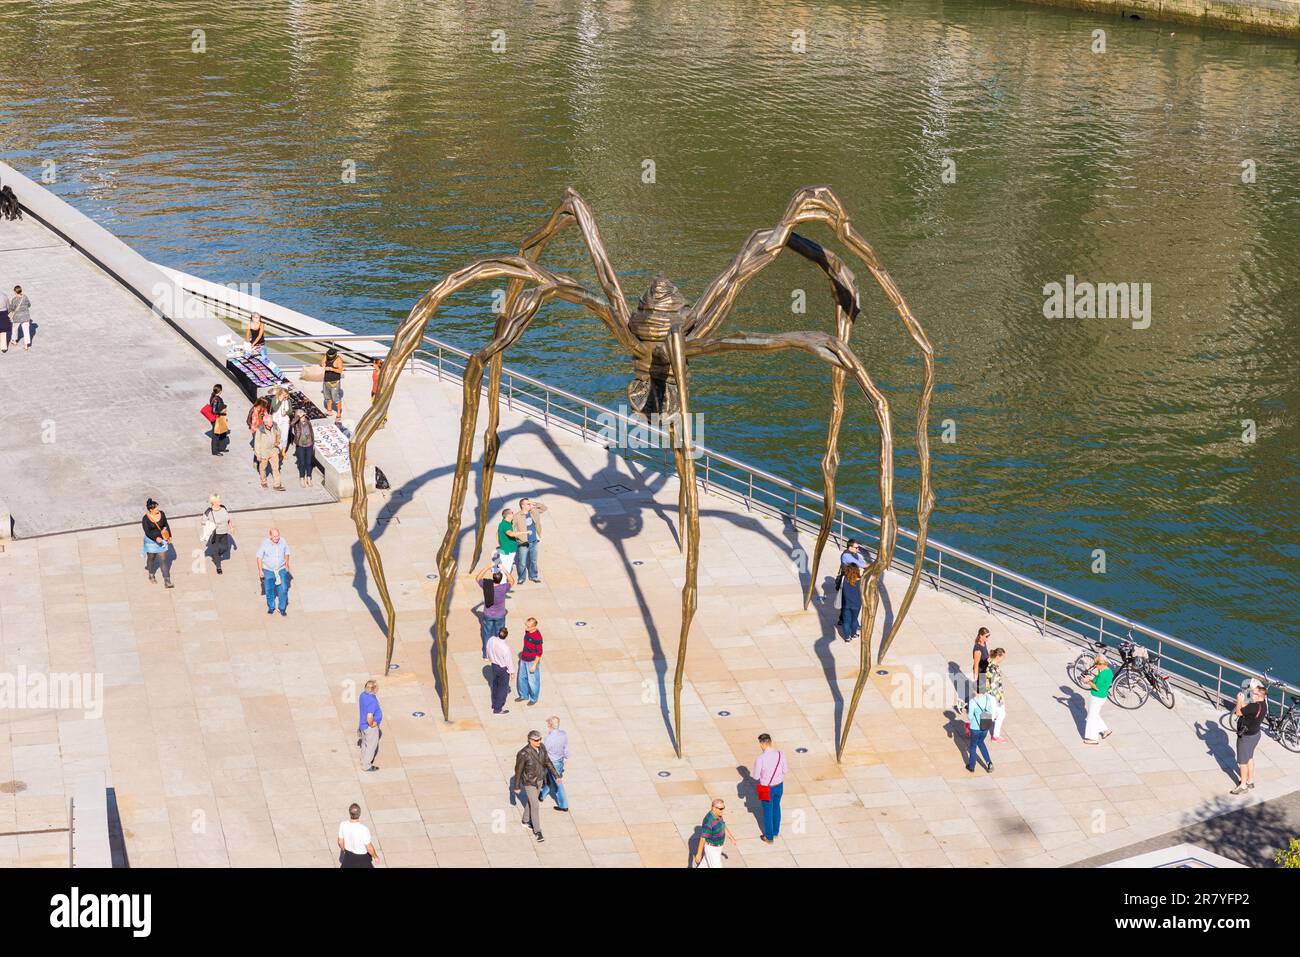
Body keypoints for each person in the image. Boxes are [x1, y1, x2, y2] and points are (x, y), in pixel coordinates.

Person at [514, 730, 561, 843]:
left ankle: (525, 820)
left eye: (540, 739)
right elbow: (518, 770)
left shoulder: (542, 747)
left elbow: (547, 762)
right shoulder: (523, 753)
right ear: (530, 740)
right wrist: (516, 786)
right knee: (535, 805)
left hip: (539, 780)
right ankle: (538, 831)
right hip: (529, 782)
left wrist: (556, 775)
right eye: (536, 740)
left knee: (531, 801)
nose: (539, 741)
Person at [1231, 678, 1267, 795]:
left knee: (1243, 762)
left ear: (1257, 695)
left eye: (1253, 692)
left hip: (1246, 737)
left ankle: (1243, 786)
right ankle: (1250, 781)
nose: (1252, 693)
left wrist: (1239, 700)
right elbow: (1250, 709)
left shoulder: (1253, 707)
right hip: (1256, 734)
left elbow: (1238, 712)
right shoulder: (1263, 705)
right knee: (1250, 757)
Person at [753, 733, 788, 844]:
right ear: (770, 742)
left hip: (766, 788)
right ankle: (775, 832)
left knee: (767, 812)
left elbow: (756, 776)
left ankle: (769, 837)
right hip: (779, 786)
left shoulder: (760, 759)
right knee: (776, 808)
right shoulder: (780, 754)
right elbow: (785, 770)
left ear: (763, 743)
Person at [475, 563, 515, 654]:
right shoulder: (503, 587)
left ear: (493, 578)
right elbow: (512, 581)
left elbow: (477, 578)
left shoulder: (486, 585)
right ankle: (498, 653)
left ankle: (486, 654)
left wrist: (487, 567)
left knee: (487, 635)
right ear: (500, 580)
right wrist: (504, 570)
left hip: (488, 614)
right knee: (499, 635)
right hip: (500, 615)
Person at [256, 527, 291, 616]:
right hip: (268, 570)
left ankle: (282, 608)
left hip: (281, 568)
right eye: (274, 536)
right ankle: (271, 607)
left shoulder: (283, 541)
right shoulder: (265, 543)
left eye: (278, 535)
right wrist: (260, 570)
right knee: (269, 589)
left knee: (283, 589)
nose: (277, 538)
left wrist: (287, 564)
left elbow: (287, 552)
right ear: (270, 536)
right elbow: (259, 557)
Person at [693, 799, 737, 868]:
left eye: (723, 808)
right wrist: (699, 854)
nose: (722, 810)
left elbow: (723, 826)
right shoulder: (709, 821)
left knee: (704, 865)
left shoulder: (718, 815)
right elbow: (703, 838)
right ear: (714, 808)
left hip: (718, 848)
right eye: (720, 809)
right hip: (711, 849)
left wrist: (731, 837)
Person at [512, 498, 548, 584]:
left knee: (533, 560)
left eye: (529, 503)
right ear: (522, 505)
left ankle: (534, 576)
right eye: (527, 504)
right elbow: (512, 529)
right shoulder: (517, 516)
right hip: (523, 543)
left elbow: (544, 508)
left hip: (534, 541)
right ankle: (521, 577)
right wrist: (518, 538)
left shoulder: (534, 511)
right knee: (522, 562)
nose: (529, 505)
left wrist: (533, 503)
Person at [538, 715, 569, 812]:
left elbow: (544, 752)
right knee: (550, 779)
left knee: (558, 783)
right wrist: (566, 758)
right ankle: (542, 794)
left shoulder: (549, 738)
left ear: (550, 725)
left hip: (552, 763)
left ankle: (564, 805)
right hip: (559, 761)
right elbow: (566, 747)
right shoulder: (563, 734)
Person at [141, 498, 174, 588]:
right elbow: (147, 531)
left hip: (162, 540)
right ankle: (151, 574)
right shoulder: (145, 519)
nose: (158, 509)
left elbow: (166, 525)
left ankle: (167, 580)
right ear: (151, 509)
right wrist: (156, 538)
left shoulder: (162, 514)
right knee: (151, 557)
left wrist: (169, 536)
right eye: (156, 508)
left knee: (163, 559)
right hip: (151, 541)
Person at [1082, 654, 1114, 745]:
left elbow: (1097, 687)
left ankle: (1093, 738)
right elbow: (1101, 682)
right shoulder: (1108, 671)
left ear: (1101, 664)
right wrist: (1092, 678)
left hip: (1097, 696)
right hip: (1103, 696)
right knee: (1095, 714)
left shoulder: (1102, 673)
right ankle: (1105, 730)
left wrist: (1088, 681)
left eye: (1096, 664)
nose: (1095, 666)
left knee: (1091, 718)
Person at [338, 804, 379, 868]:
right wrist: (375, 857)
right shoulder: (364, 829)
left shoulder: (343, 825)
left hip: (349, 857)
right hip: (362, 859)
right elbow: (368, 847)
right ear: (359, 814)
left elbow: (340, 842)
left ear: (349, 813)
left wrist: (344, 850)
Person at [486, 627, 515, 715]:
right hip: (503, 669)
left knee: (495, 685)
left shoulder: (491, 640)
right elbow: (508, 661)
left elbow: (487, 649)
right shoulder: (505, 648)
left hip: (494, 665)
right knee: (502, 689)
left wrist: (489, 658)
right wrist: (512, 672)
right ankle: (498, 709)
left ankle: (494, 703)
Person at [515, 617, 543, 706]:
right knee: (521, 678)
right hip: (523, 659)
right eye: (526, 625)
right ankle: (524, 695)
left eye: (528, 626)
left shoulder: (537, 637)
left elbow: (539, 653)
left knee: (533, 681)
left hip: (531, 661)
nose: (525, 628)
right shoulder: (527, 632)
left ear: (534, 627)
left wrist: (534, 665)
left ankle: (534, 698)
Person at [203, 493, 233, 575]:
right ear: (214, 502)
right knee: (216, 550)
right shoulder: (209, 511)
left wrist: (231, 527)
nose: (220, 501)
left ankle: (215, 556)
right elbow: (203, 522)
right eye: (218, 500)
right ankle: (218, 566)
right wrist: (212, 524)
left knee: (225, 548)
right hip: (215, 534)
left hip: (224, 532)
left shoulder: (223, 508)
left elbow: (228, 518)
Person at [966, 690, 995, 772]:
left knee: (973, 746)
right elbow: (991, 712)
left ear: (975, 690)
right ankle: (989, 763)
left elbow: (970, 717)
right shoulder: (987, 699)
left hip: (975, 728)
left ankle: (972, 766)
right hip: (985, 727)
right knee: (981, 743)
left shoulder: (973, 701)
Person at [254, 416, 285, 491]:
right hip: (264, 452)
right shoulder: (260, 430)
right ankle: (263, 481)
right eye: (270, 422)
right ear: (265, 423)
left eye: (272, 421)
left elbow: (279, 434)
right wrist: (258, 454)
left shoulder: (275, 426)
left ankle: (276, 485)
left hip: (273, 450)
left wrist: (277, 442)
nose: (272, 422)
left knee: (276, 468)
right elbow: (257, 443)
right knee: (263, 468)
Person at [358, 679, 383, 772]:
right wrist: (372, 724)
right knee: (371, 746)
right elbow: (369, 716)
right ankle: (367, 765)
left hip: (362, 725)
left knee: (364, 743)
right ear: (374, 689)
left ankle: (363, 760)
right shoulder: (372, 701)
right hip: (369, 728)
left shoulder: (362, 695)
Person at [836, 563, 862, 642]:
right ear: (857, 571)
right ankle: (853, 634)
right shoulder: (861, 581)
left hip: (846, 604)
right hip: (856, 605)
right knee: (854, 620)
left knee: (846, 621)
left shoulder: (844, 579)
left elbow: (837, 587)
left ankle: (847, 638)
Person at [289, 408, 315, 487]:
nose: (303, 416)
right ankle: (302, 478)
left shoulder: (308, 422)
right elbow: (291, 424)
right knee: (302, 463)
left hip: (309, 444)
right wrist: (298, 417)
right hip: (300, 445)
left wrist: (312, 441)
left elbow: (311, 432)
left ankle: (309, 477)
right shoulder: (296, 424)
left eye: (303, 414)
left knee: (309, 462)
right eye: (301, 415)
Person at [987, 648, 1009, 742]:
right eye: (1002, 657)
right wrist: (999, 698)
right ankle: (971, 727)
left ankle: (996, 736)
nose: (1003, 659)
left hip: (997, 695)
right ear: (998, 656)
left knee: (1001, 714)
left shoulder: (995, 666)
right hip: (993, 696)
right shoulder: (992, 668)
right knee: (990, 717)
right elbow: (993, 685)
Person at [496, 507, 522, 581]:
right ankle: (501, 586)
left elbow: (498, 534)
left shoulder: (506, 523)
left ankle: (502, 585)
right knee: (505, 568)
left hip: (508, 549)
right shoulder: (505, 524)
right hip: (507, 550)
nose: (513, 514)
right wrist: (523, 533)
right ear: (508, 515)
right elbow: (510, 534)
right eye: (512, 513)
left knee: (507, 568)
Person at [247, 397, 270, 473]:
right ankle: (257, 462)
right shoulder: (254, 410)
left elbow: (266, 416)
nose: (266, 406)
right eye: (265, 405)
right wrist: (254, 429)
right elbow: (251, 421)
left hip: (262, 429)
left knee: (261, 447)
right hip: (256, 430)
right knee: (258, 447)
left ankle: (256, 461)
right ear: (262, 404)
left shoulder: (264, 409)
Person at [270, 385, 291, 465]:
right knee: (277, 437)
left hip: (285, 421)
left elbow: (290, 411)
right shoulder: (274, 399)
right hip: (276, 421)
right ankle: (278, 450)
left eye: (286, 395)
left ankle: (283, 452)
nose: (285, 397)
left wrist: (287, 412)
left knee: (284, 437)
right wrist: (280, 401)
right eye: (283, 395)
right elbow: (274, 409)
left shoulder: (288, 401)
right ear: (280, 394)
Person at [322, 347, 344, 422]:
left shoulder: (338, 360)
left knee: (336, 398)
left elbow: (340, 371)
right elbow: (321, 364)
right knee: (328, 397)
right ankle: (329, 411)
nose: (329, 357)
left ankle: (338, 413)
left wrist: (331, 369)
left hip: (335, 382)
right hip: (326, 380)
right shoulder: (326, 356)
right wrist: (323, 361)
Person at [208, 384, 230, 455]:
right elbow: (214, 411)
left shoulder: (214, 397)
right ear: (220, 390)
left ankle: (221, 448)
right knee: (216, 435)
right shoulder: (215, 399)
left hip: (220, 418)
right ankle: (215, 451)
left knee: (222, 433)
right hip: (217, 419)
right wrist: (221, 412)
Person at [10, 285, 31, 350]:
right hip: (26, 316)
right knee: (26, 331)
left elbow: (12, 308)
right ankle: (26, 345)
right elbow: (29, 305)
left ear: (15, 292)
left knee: (14, 329)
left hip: (17, 317)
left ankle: (14, 341)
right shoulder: (25, 297)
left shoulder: (14, 299)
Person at [971, 627, 991, 694]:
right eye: (986, 636)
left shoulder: (984, 643)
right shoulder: (978, 649)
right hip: (981, 673)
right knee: (981, 693)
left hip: (985, 671)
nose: (988, 638)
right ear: (981, 636)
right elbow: (976, 665)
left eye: (989, 636)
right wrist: (976, 679)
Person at [0, 285, 9, 353]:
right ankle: (3, 347)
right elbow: (8, 305)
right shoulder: (4, 295)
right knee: (3, 332)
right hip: (4, 314)